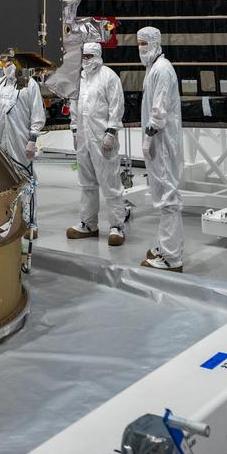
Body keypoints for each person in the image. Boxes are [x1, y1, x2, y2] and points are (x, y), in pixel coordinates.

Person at [66, 41, 127, 246]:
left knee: (110, 183)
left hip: (103, 138)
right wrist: (75, 130)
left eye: (89, 56)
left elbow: (117, 106)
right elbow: (74, 105)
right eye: (83, 56)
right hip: (83, 138)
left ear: (98, 56)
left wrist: (111, 132)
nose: (86, 60)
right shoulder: (80, 78)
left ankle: (117, 226)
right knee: (87, 183)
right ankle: (88, 224)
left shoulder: (109, 76)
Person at [136, 26, 184, 271]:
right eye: (139, 44)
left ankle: (172, 258)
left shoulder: (162, 69)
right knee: (162, 195)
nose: (141, 49)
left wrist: (150, 134)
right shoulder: (153, 69)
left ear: (156, 43)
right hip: (158, 140)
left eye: (144, 43)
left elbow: (160, 107)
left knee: (168, 198)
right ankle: (166, 247)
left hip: (162, 141)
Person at [0, 55, 45, 231]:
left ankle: (30, 222)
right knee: (3, 180)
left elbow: (37, 115)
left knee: (26, 179)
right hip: (0, 140)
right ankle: (8, 219)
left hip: (21, 140)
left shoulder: (30, 85)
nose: (5, 65)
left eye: (9, 62)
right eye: (3, 62)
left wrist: (32, 140)